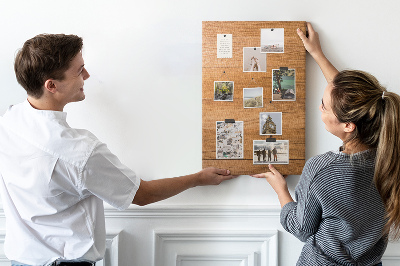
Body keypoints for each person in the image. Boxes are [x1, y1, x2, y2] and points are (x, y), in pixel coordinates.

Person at [0, 34, 236, 266]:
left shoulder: (7, 122)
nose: (87, 75)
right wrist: (198, 178)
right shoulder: (79, 151)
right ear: (51, 85)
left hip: (20, 261)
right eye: (79, 70)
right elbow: (143, 195)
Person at [253, 22, 400, 265]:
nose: (319, 107)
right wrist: (318, 54)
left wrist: (281, 189)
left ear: (348, 125)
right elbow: (354, 104)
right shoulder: (391, 155)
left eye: (324, 105)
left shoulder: (322, 170)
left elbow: (301, 228)